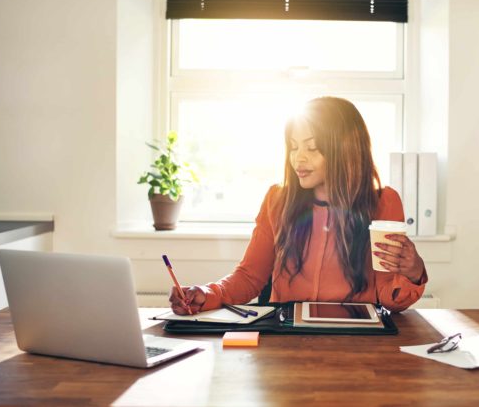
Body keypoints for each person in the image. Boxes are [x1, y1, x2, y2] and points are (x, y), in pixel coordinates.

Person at [170, 96, 427, 315]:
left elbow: (389, 295)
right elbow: (250, 277)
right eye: (293, 147)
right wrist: (207, 293)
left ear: (345, 149)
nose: (298, 158)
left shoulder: (383, 203)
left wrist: (413, 272)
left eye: (312, 148)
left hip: (356, 338)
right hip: (287, 337)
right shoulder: (277, 201)